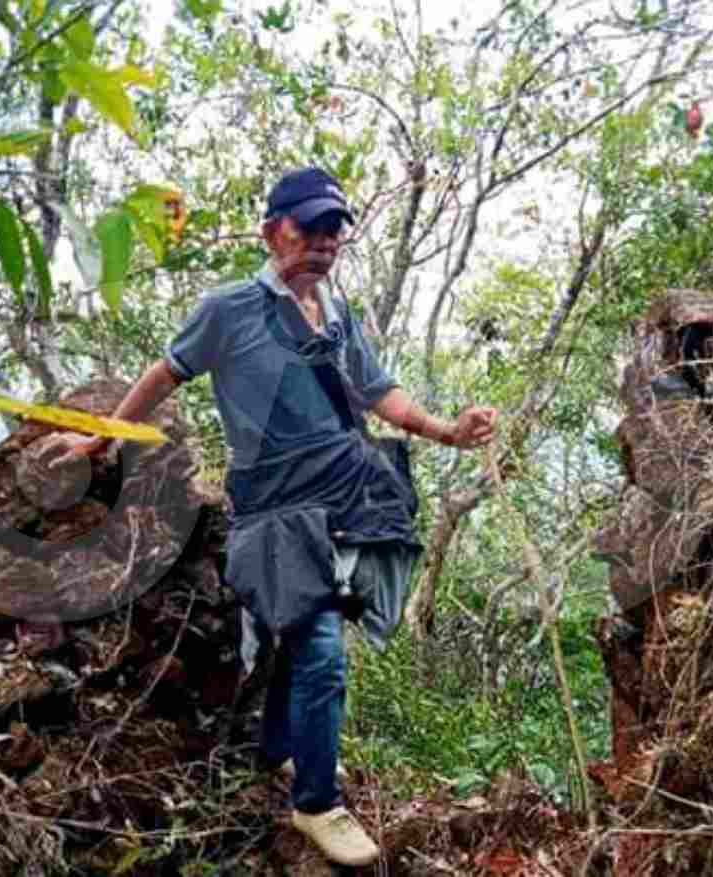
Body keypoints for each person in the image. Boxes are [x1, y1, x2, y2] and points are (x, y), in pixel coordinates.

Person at [72, 167, 496, 867]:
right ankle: (317, 803)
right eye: (309, 229)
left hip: (346, 501)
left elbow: (377, 390)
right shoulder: (230, 309)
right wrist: (103, 435)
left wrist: (447, 429)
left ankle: (278, 753)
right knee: (321, 649)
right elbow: (164, 372)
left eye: (334, 231)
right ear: (273, 232)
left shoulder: (339, 313)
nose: (324, 243)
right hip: (273, 513)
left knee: (301, 641)